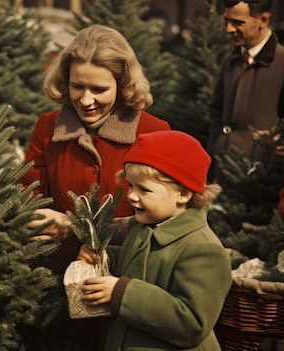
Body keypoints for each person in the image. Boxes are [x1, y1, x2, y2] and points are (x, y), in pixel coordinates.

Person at [18, 24, 170, 350]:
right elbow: (28, 194)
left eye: (99, 89)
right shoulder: (47, 127)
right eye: (77, 87)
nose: (86, 100)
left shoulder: (154, 131)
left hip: (129, 283)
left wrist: (79, 231)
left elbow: (164, 219)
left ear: (123, 84)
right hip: (61, 283)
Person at [79, 130, 232, 350]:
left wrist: (123, 293)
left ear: (182, 194)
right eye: (131, 185)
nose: (131, 195)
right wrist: (106, 257)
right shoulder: (144, 228)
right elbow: (142, 263)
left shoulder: (203, 249)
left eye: (144, 189)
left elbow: (192, 323)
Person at [207, 0, 284, 183]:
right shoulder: (230, 61)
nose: (228, 29)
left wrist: (276, 146)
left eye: (238, 22)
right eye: (227, 21)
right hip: (223, 173)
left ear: (263, 19)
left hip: (262, 181)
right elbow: (216, 110)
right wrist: (217, 145)